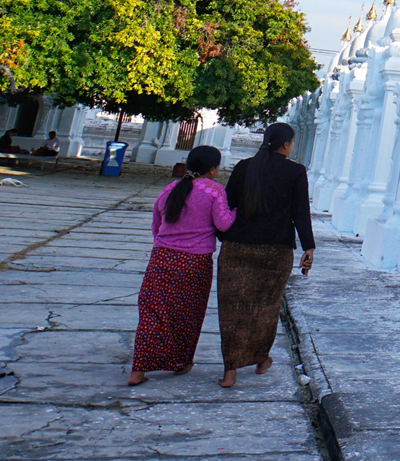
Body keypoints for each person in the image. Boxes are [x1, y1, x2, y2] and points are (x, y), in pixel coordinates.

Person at [216, 122, 313, 388]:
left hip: (237, 247)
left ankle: (230, 372)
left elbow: (226, 205)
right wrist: (309, 247)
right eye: (292, 143)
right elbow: (300, 212)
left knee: (233, 311)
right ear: (286, 144)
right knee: (265, 309)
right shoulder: (295, 172)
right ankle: (261, 360)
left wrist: (222, 235)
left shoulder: (244, 167)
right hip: (276, 250)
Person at [128, 145, 234, 386]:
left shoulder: (170, 189)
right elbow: (224, 224)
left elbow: (157, 224)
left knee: (152, 313)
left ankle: (139, 369)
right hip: (195, 263)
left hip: (162, 258)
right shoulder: (214, 191)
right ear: (213, 169)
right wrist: (237, 211)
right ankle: (181, 362)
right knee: (188, 314)